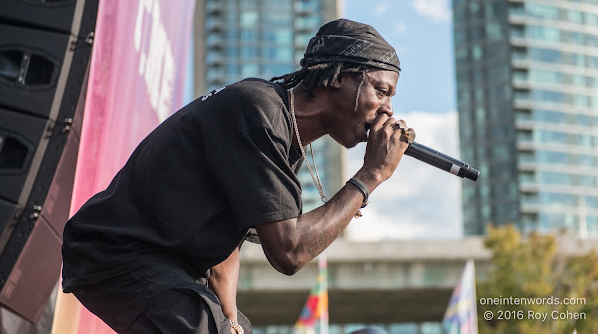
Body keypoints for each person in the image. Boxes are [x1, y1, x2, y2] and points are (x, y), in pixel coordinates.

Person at [61, 18, 415, 333]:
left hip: (172, 265)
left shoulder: (281, 131)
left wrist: (229, 315)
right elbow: (289, 253)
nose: (388, 110)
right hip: (120, 254)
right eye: (381, 90)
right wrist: (371, 176)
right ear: (337, 77)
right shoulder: (256, 110)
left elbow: (228, 232)